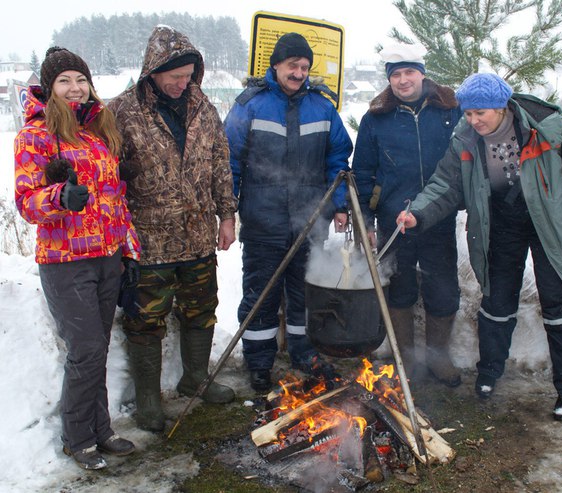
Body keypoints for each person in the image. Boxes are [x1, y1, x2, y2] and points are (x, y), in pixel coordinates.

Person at [396, 73, 562, 421]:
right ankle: (490, 371)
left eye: (481, 113)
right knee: (497, 298)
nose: (474, 120)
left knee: (559, 302)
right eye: (469, 113)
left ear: (502, 106)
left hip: (550, 221)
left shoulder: (547, 127)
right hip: (500, 220)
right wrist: (417, 212)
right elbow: (445, 183)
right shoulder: (464, 137)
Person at [14, 47, 140, 469]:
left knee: (98, 347)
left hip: (107, 257)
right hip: (65, 261)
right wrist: (60, 197)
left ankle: (101, 430)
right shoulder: (35, 135)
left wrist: (130, 251)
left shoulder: (97, 133)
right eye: (65, 81)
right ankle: (76, 436)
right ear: (49, 88)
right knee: (85, 348)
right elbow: (27, 202)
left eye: (80, 80)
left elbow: (115, 200)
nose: (75, 88)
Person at [108, 25, 238, 432]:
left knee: (202, 311)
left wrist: (228, 215)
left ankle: (195, 378)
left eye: (188, 76)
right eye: (175, 77)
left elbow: (220, 164)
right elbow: (106, 174)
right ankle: (148, 400)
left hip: (199, 235)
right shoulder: (122, 111)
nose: (183, 84)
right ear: (153, 71)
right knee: (145, 320)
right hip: (148, 242)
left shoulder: (203, 106)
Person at [224, 32, 353, 392]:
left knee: (304, 293)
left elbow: (338, 159)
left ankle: (303, 351)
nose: (298, 72)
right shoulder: (251, 104)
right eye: (292, 65)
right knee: (261, 295)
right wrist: (227, 211)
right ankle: (260, 362)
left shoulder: (323, 107)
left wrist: (339, 203)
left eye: (304, 66)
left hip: (310, 219)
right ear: (276, 65)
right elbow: (229, 160)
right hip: (263, 220)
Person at [352, 43, 462, 387]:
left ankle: (438, 358)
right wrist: (366, 222)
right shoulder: (376, 117)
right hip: (392, 220)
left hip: (439, 217)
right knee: (398, 289)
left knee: (442, 288)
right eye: (395, 74)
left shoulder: (449, 110)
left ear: (422, 72)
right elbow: (364, 173)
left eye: (409, 72)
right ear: (389, 79)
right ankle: (405, 358)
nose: (403, 80)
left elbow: (466, 164)